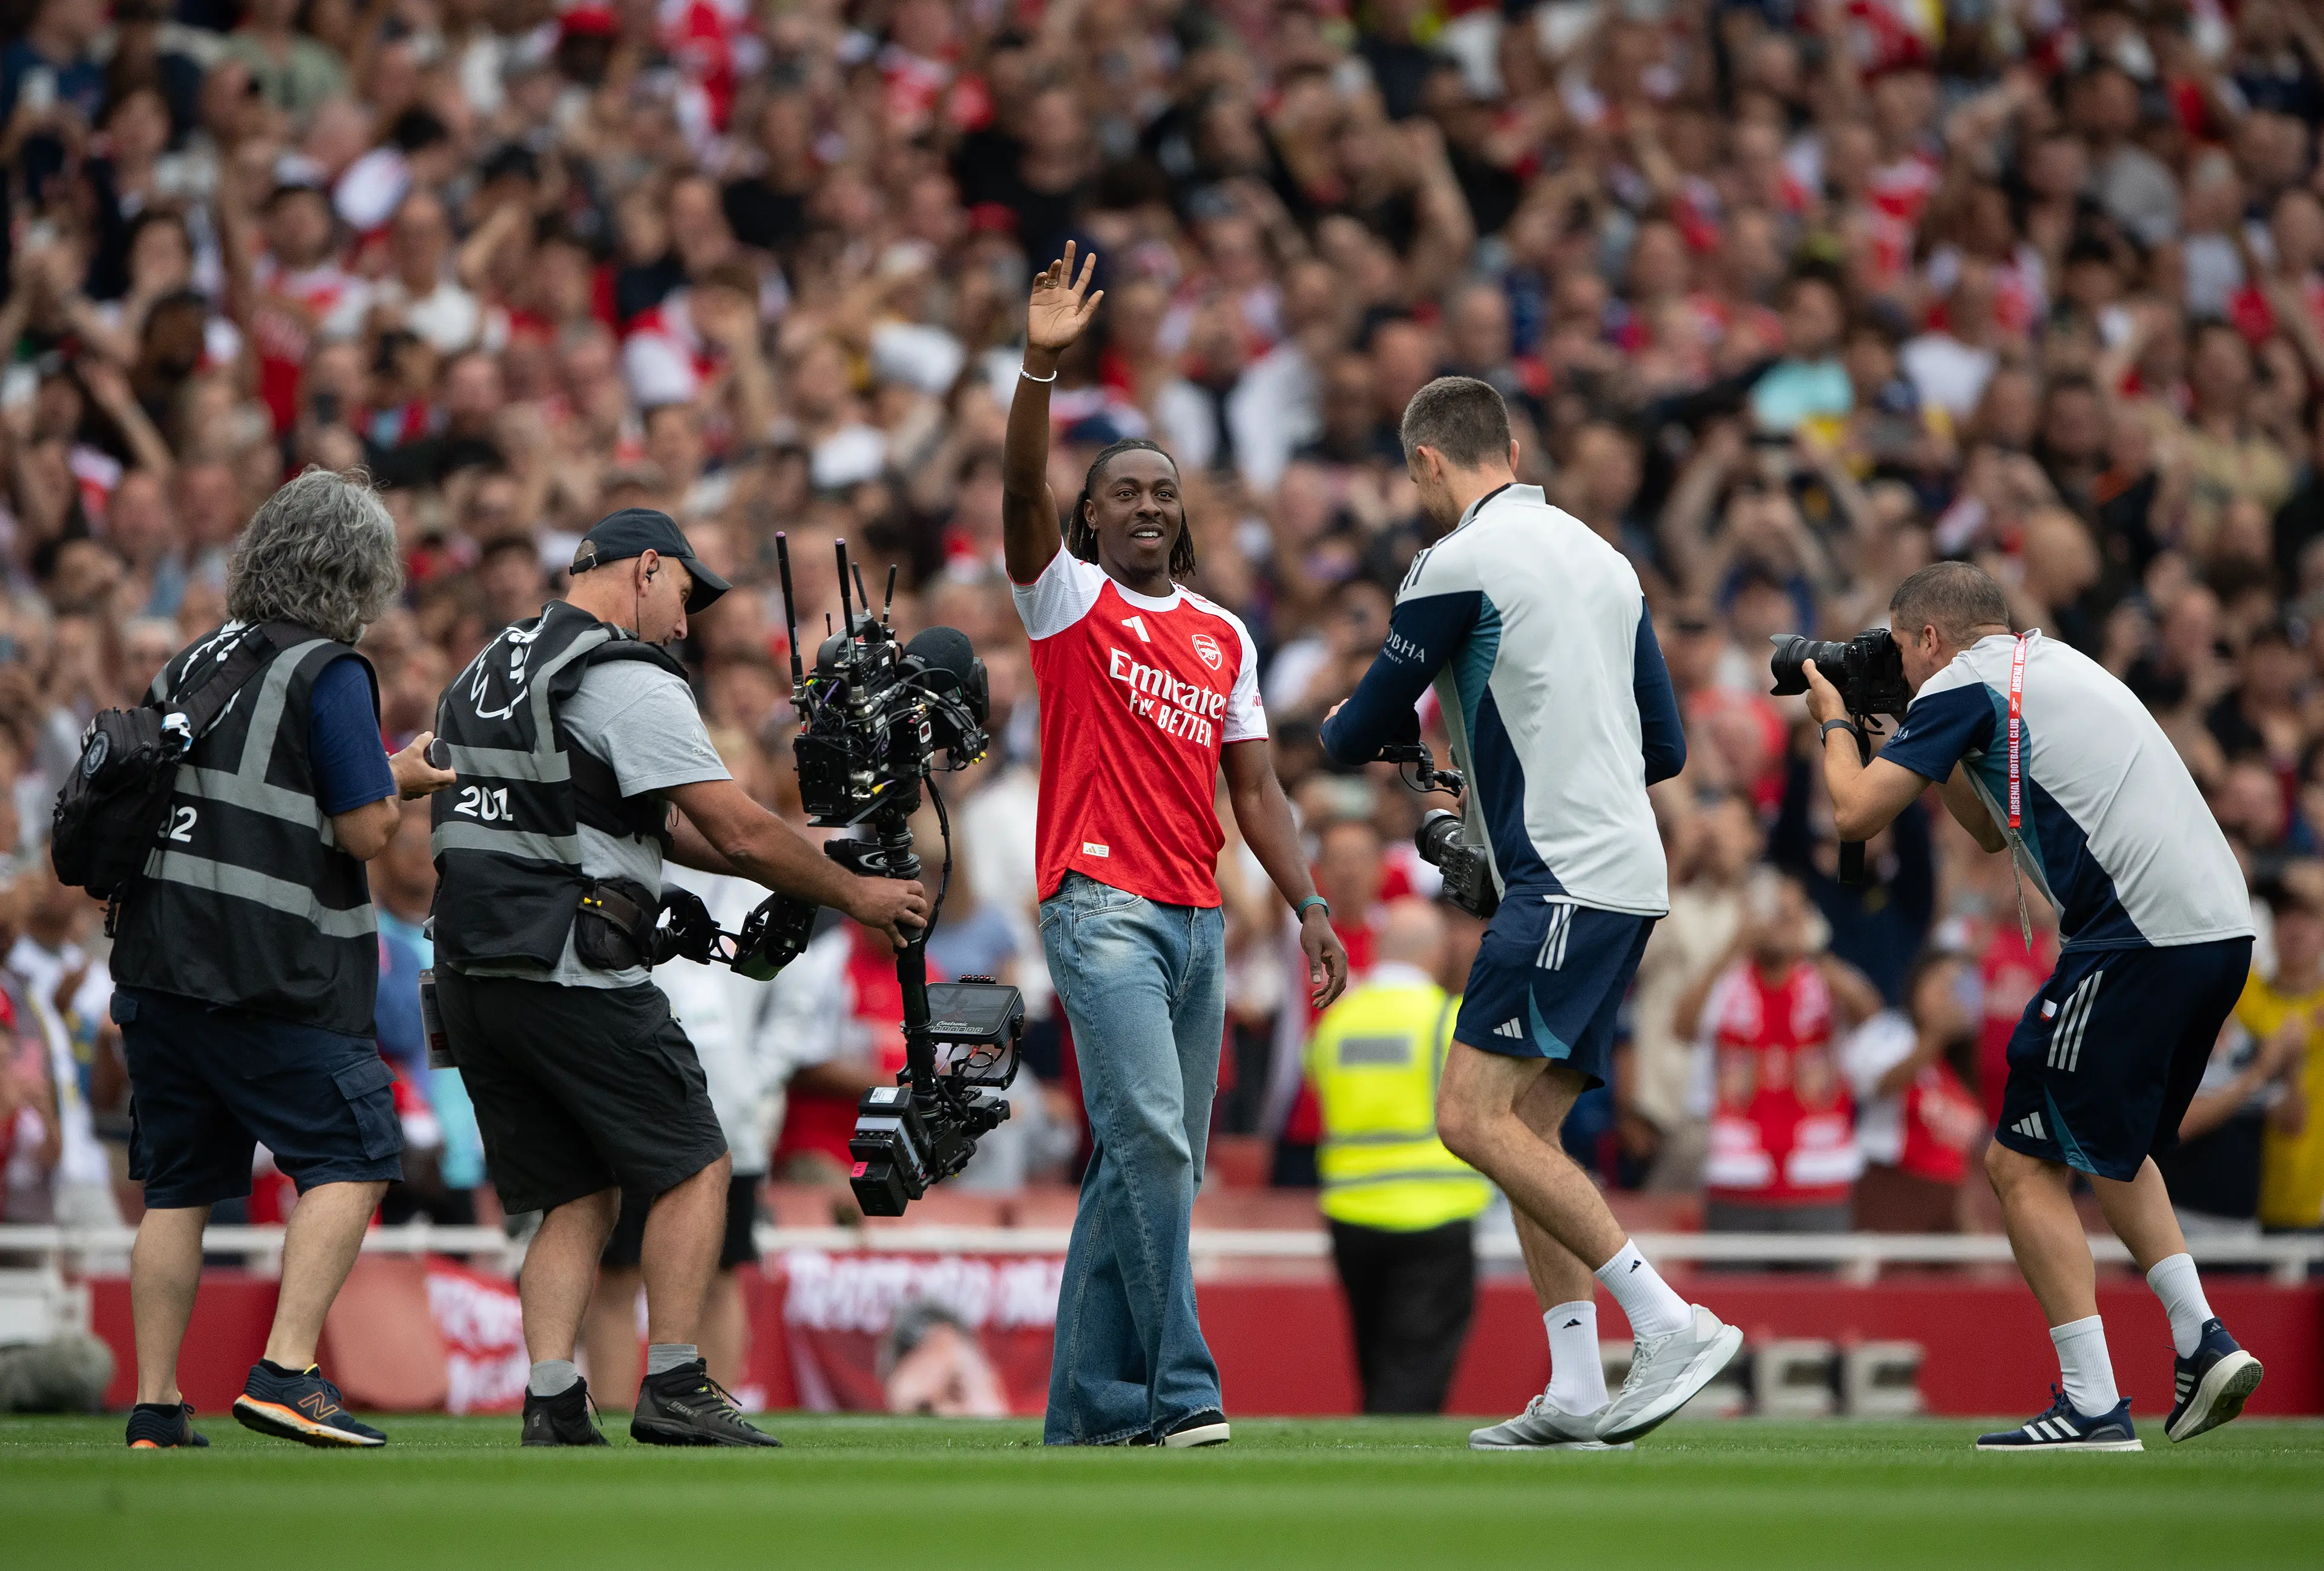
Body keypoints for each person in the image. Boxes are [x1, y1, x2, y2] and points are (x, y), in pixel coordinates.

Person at [427, 507, 927, 1448]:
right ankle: (676, 1381)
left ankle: (552, 1397)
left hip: (469, 970)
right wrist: (856, 893)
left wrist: (814, 860)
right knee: (699, 1160)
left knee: (574, 1190)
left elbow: (684, 833)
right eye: (686, 598)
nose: (686, 627)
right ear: (646, 568)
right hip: (569, 959)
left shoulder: (491, 662)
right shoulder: (619, 668)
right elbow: (733, 824)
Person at [1321, 375, 1740, 1452]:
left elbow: (1359, 727)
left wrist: (1344, 723)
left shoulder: (1453, 562)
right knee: (1528, 1130)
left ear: (1426, 463)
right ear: (1511, 444)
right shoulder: (1607, 558)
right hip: (1623, 874)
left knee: (1467, 1119)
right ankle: (1577, 1389)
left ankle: (1668, 1321)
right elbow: (1667, 749)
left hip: (1559, 877)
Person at [1003, 245, 1348, 1449]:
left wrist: (1306, 905)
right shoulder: (1069, 604)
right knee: (1149, 1134)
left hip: (1201, 919)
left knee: (1146, 1167)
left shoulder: (1223, 634)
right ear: (1090, 518)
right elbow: (1015, 508)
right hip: (1100, 906)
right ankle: (1183, 1391)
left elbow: (1256, 791)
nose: (1147, 504)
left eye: (1163, 491)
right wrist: (1040, 370)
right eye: (1124, 492)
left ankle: (1084, 1417)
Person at [1807, 560, 2265, 1450]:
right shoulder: (2045, 665)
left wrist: (1833, 719)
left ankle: (2094, 1401)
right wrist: (1912, 733)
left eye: (1900, 652)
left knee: (2019, 1162)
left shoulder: (1966, 684)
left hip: (2136, 935)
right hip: (2217, 932)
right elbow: (1985, 826)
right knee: (2107, 1146)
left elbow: (1855, 812)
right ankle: (2201, 1336)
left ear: (1931, 638)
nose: (1896, 669)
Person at [107, 468, 458, 1450]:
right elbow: (360, 834)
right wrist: (396, 798)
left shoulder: (193, 661)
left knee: (178, 1189)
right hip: (270, 971)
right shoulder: (330, 670)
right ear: (360, 573)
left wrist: (386, 776)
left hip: (156, 967)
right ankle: (288, 1371)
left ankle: (157, 1408)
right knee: (354, 1152)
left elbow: (251, 797)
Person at [1307, 898, 1491, 1414]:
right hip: (1434, 1214)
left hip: (1350, 1215)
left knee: (1374, 1360)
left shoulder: (1337, 1019)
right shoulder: (1446, 1017)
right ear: (1435, 953)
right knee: (1414, 1373)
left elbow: (1315, 1082)